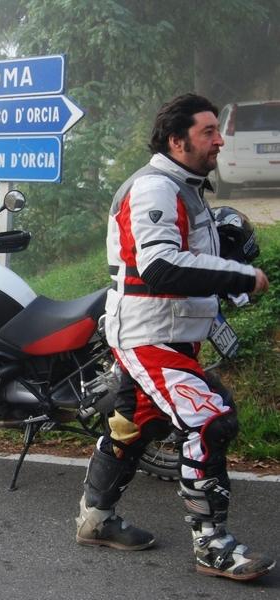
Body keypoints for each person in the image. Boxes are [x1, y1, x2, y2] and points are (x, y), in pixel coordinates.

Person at [74, 94, 274, 581]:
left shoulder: (185, 187)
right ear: (176, 140)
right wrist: (241, 275)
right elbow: (160, 265)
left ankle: (95, 520)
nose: (220, 138)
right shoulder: (154, 188)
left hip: (173, 335)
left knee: (132, 426)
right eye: (209, 131)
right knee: (209, 419)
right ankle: (213, 547)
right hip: (148, 335)